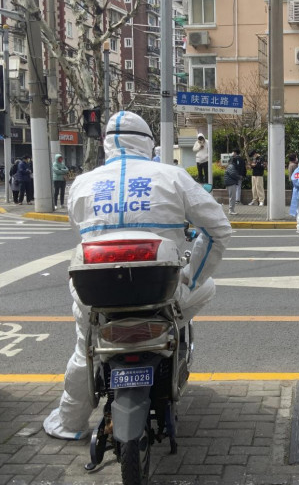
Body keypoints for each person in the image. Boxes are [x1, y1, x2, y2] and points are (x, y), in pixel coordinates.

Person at [43, 111, 232, 440]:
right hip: (163, 295)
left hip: (96, 298)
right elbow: (218, 229)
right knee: (207, 286)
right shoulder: (171, 177)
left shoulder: (82, 184)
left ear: (106, 145)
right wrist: (191, 276)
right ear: (148, 143)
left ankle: (70, 422)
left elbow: (81, 234)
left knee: (84, 349)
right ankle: (171, 348)